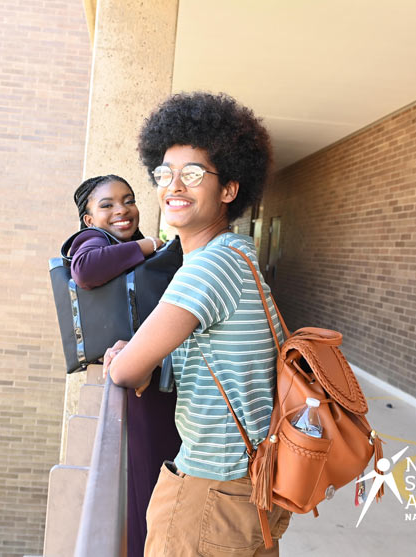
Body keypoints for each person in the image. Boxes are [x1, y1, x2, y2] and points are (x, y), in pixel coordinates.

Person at [104, 92, 291, 556]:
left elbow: (126, 371)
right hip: (248, 488)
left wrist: (130, 359)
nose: (174, 186)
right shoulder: (241, 257)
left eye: (193, 174)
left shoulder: (208, 268)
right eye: (165, 174)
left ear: (229, 189)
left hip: (210, 495)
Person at [67, 174, 181, 557]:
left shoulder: (131, 245)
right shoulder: (94, 240)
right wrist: (151, 244)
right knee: (148, 481)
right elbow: (84, 270)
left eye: (128, 200)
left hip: (153, 374)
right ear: (88, 218)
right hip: (136, 383)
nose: (121, 210)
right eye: (107, 204)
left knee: (162, 478)